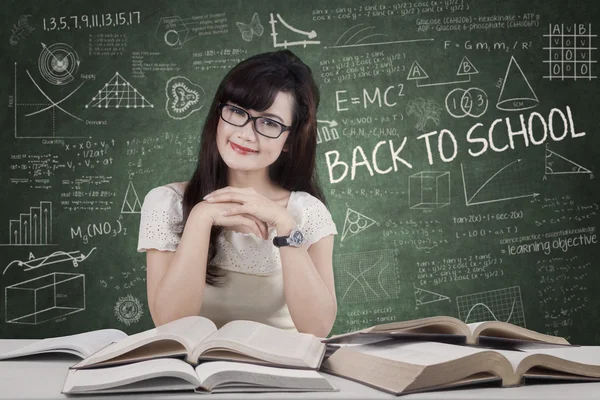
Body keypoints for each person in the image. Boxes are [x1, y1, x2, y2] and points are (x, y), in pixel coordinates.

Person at [137, 50, 338, 338]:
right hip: (197, 377)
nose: (246, 134)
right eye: (237, 112)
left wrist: (283, 223)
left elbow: (318, 328)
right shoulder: (166, 204)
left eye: (269, 123)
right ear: (219, 115)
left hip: (286, 373)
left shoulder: (307, 212)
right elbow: (169, 324)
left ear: (289, 141)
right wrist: (200, 218)